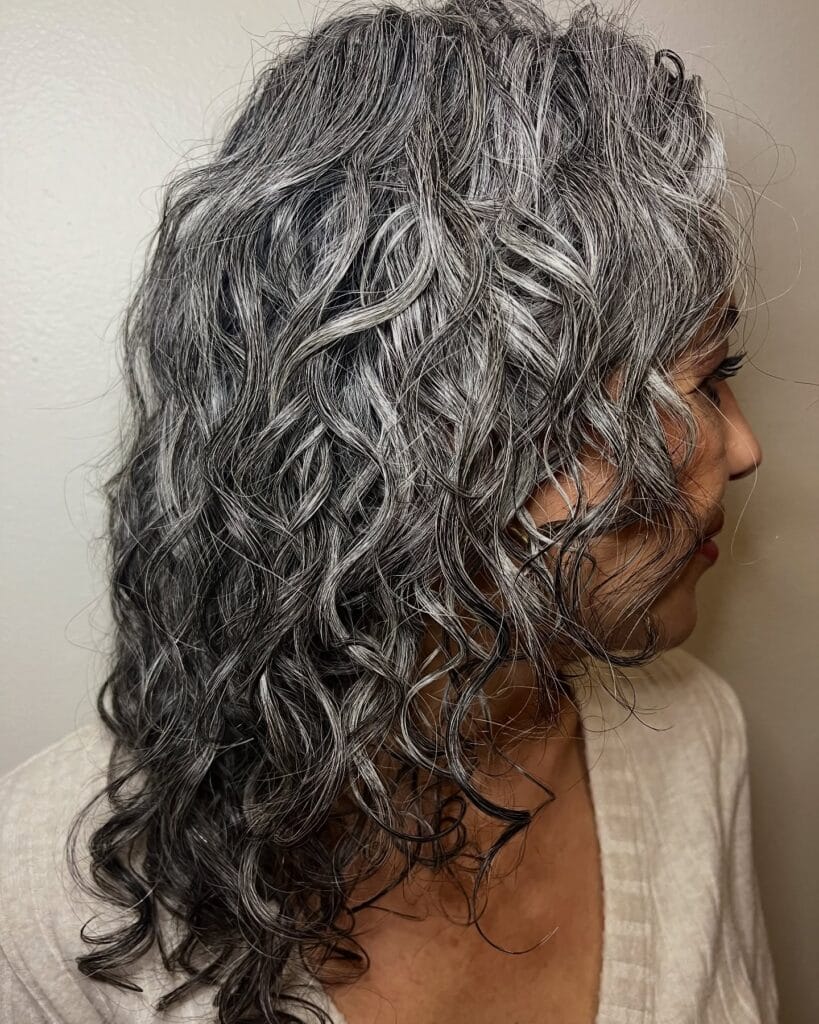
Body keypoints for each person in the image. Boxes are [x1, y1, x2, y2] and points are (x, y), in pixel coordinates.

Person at [0, 0, 779, 1022]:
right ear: (440, 451)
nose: (744, 448)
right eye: (695, 389)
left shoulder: (693, 735)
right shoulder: (51, 894)